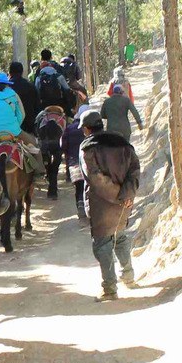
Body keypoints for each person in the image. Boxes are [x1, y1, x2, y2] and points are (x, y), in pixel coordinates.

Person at [80, 111, 141, 301]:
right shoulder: (122, 143)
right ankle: (129, 277)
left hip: (102, 204)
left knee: (102, 244)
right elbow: (135, 169)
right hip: (125, 202)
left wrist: (116, 196)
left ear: (87, 129)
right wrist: (127, 194)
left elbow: (95, 178)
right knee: (120, 237)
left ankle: (110, 289)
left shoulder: (88, 149)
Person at [35, 104, 69, 198]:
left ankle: (44, 178)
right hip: (58, 145)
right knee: (55, 168)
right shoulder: (62, 119)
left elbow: (38, 132)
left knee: (48, 166)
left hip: (45, 145)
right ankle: (53, 191)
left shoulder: (42, 118)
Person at [62, 111, 89, 221]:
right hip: (88, 162)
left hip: (73, 163)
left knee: (78, 187)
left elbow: (62, 145)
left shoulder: (69, 128)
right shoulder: (90, 127)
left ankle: (80, 205)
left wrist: (66, 154)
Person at [8, 60, 38, 132]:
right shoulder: (30, 86)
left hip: (9, 125)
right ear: (22, 72)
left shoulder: (6, 88)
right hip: (28, 126)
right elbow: (37, 106)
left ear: (10, 72)